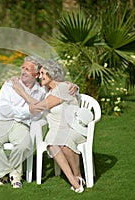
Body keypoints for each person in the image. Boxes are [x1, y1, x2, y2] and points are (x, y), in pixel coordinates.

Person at [0, 56, 78, 189]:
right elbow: (5, 110)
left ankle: (14, 176)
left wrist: (73, 85)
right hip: (3, 122)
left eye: (27, 69)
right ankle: (6, 174)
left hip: (22, 124)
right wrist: (27, 110)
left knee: (23, 145)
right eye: (22, 67)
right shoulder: (10, 84)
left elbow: (57, 89)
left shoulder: (41, 91)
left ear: (36, 74)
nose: (22, 71)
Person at [11, 59, 87, 193]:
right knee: (51, 144)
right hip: (57, 129)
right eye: (40, 73)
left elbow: (40, 106)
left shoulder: (63, 88)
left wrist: (21, 92)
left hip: (73, 128)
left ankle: (78, 175)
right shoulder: (48, 90)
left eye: (43, 73)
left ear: (52, 74)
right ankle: (72, 179)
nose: (40, 76)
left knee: (64, 143)